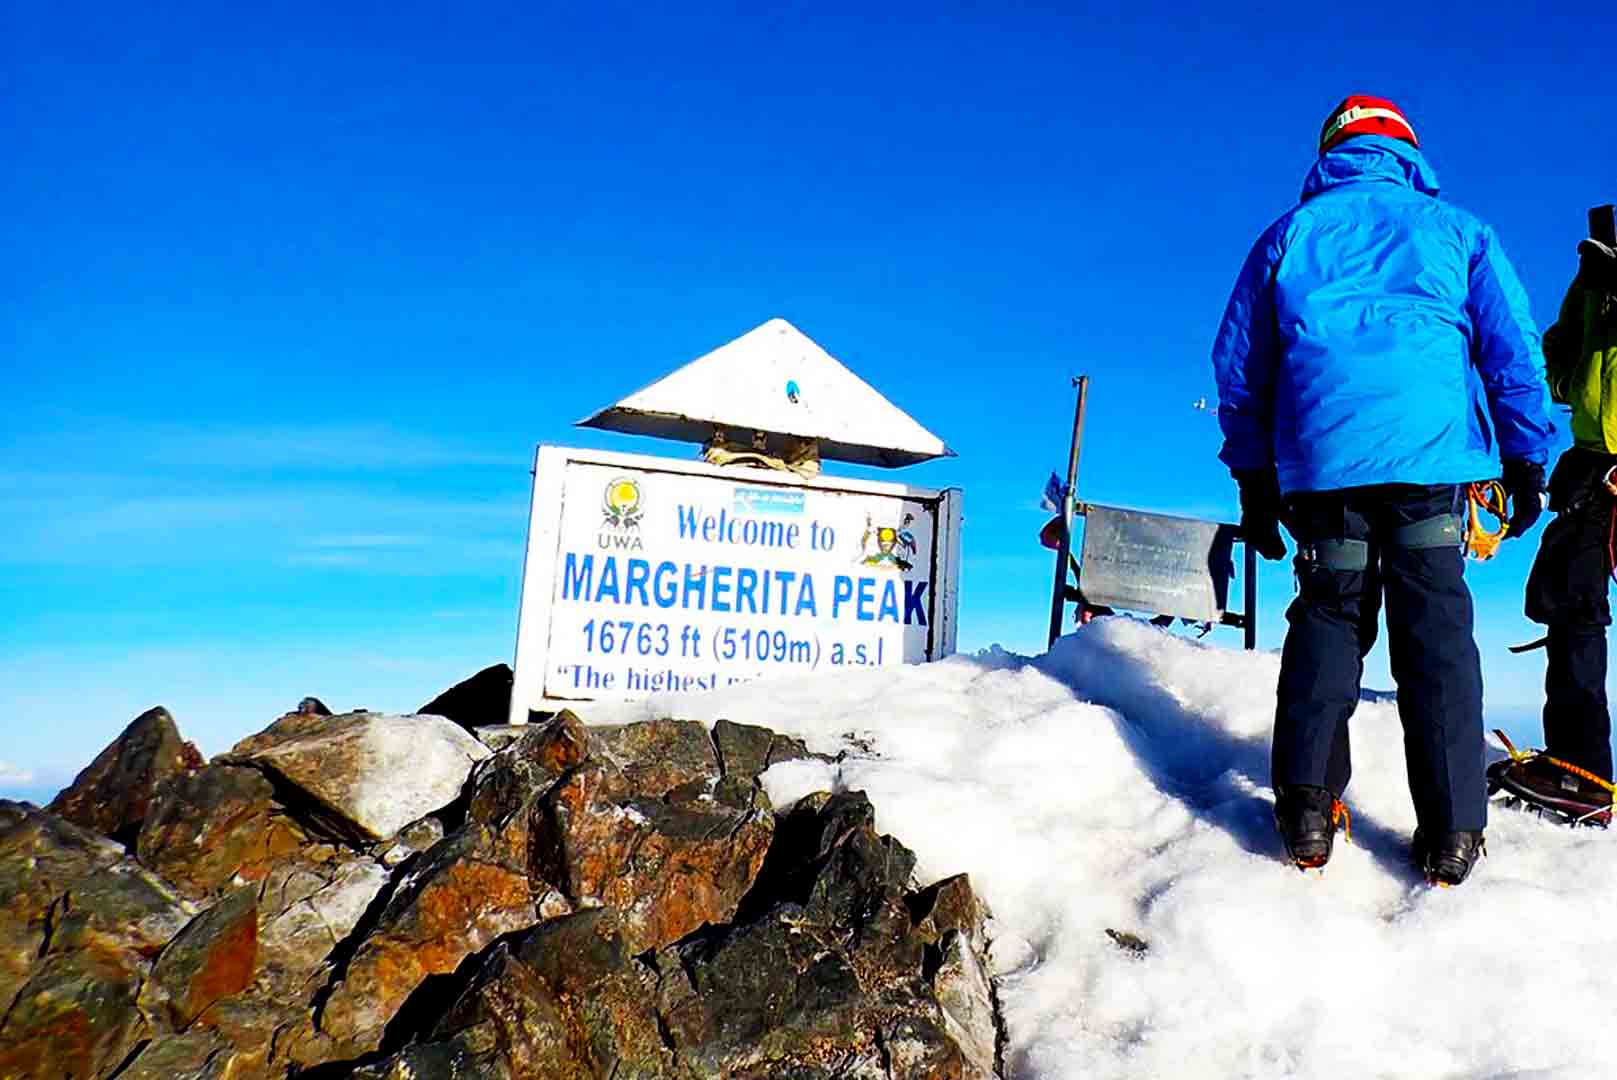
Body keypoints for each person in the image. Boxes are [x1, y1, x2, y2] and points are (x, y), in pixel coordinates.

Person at [1211, 95, 1557, 885]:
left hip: (1322, 468)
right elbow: (1512, 354)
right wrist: (1525, 458)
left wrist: (1253, 479)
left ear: (1329, 151)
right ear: (1407, 152)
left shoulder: (1286, 235)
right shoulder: (1458, 231)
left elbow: (1240, 371)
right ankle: (1451, 831)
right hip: (1430, 464)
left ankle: (1304, 810)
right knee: (1434, 635)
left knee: (1328, 619)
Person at [1493, 225, 1617, 824]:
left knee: (1576, 607)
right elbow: (1561, 348)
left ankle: (1583, 770)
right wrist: (1572, 383)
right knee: (1568, 601)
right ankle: (1581, 769)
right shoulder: (1599, 265)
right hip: (1595, 461)